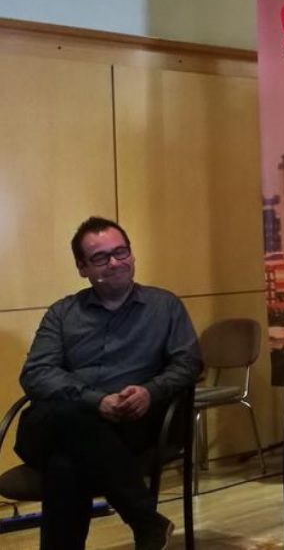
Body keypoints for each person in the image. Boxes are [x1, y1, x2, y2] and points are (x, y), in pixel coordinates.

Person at [16, 216, 202, 550]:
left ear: (131, 255)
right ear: (81, 267)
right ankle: (146, 519)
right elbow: (35, 373)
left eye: (121, 252)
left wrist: (151, 391)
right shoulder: (62, 313)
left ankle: (147, 524)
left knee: (66, 465)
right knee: (74, 415)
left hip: (133, 425)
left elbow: (188, 363)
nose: (115, 262)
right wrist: (95, 400)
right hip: (53, 427)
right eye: (101, 257)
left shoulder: (165, 306)